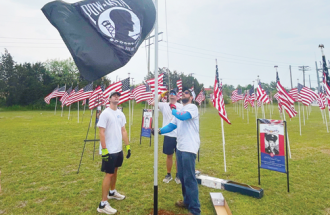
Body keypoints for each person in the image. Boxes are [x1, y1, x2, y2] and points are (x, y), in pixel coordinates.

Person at [153, 88, 201, 215]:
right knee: (183, 177)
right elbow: (172, 125)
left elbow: (183, 117)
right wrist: (159, 131)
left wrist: (173, 110)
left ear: (191, 97)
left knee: (190, 178)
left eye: (187, 93)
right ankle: (187, 201)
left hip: (189, 148)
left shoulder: (192, 108)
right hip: (180, 147)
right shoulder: (179, 110)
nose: (184, 94)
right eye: (183, 93)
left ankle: (195, 209)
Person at [96, 91, 131, 215]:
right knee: (109, 174)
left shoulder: (120, 114)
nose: (116, 97)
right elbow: (101, 132)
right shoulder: (105, 113)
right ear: (109, 99)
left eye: (118, 96)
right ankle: (103, 204)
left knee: (115, 170)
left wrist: (127, 146)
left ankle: (112, 192)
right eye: (114, 95)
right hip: (109, 149)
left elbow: (124, 130)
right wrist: (104, 149)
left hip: (118, 148)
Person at [151, 89, 183, 184]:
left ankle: (178, 175)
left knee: (178, 156)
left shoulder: (180, 106)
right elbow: (153, 102)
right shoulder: (164, 105)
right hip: (168, 134)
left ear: (177, 96)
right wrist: (161, 95)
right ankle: (168, 174)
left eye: (174, 94)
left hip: (179, 134)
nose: (172, 95)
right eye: (170, 94)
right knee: (169, 156)